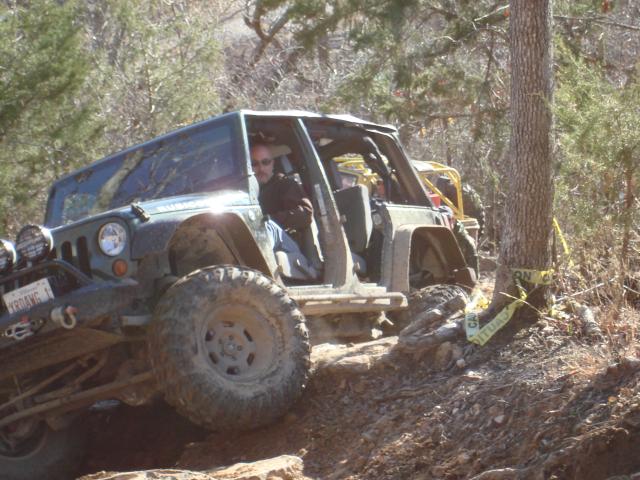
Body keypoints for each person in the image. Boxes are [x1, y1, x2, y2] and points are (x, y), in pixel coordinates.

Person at [250, 143, 313, 255]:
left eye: (265, 162)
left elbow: (305, 214)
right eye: (254, 164)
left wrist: (267, 220)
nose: (261, 168)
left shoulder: (285, 184)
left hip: (288, 251)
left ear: (273, 163)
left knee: (267, 227)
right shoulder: (248, 194)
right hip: (262, 246)